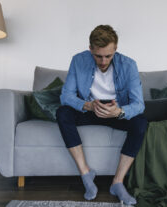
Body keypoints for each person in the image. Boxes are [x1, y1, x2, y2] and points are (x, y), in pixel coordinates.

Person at [56, 25, 147, 205]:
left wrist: (119, 111)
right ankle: (85, 173)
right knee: (63, 113)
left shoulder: (129, 65)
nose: (103, 61)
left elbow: (139, 104)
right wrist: (87, 105)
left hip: (115, 111)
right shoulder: (78, 60)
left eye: (108, 56)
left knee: (140, 123)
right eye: (98, 56)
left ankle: (118, 182)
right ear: (90, 49)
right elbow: (66, 96)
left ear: (115, 50)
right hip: (89, 108)